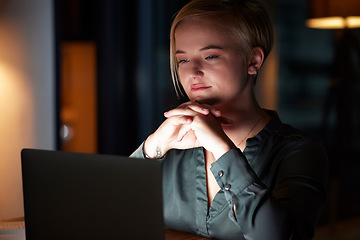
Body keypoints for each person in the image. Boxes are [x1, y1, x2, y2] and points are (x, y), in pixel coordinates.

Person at [131, 0, 328, 239]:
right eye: (182, 59)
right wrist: (151, 148)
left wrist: (222, 150)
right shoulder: (170, 145)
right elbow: (105, 215)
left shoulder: (299, 152)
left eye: (211, 56)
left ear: (253, 61)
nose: (192, 72)